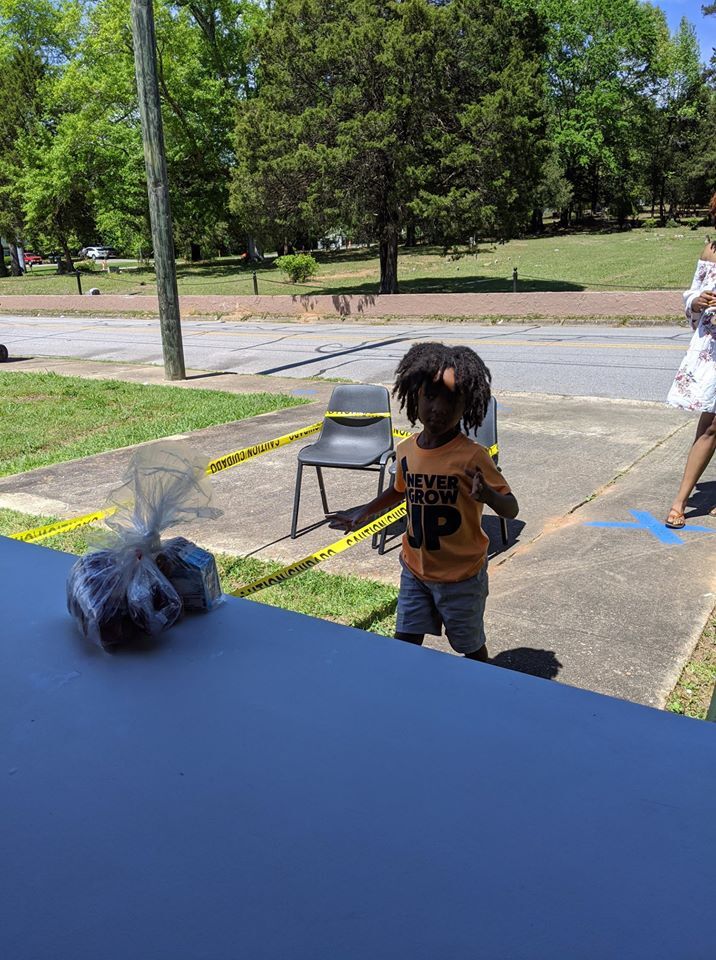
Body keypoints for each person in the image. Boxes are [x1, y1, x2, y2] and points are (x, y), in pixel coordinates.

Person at [327, 343, 519, 661]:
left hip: (461, 578)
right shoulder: (406, 450)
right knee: (404, 643)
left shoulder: (473, 456)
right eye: (430, 396)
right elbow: (400, 490)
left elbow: (511, 508)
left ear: (466, 405)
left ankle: (484, 694)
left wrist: (488, 495)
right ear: (414, 396)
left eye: (450, 399)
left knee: (470, 649)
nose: (438, 408)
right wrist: (364, 511)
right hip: (415, 570)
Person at [665, 193, 716, 529]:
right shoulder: (710, 252)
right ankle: (680, 500)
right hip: (713, 349)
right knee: (710, 424)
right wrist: (698, 301)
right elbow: (691, 299)